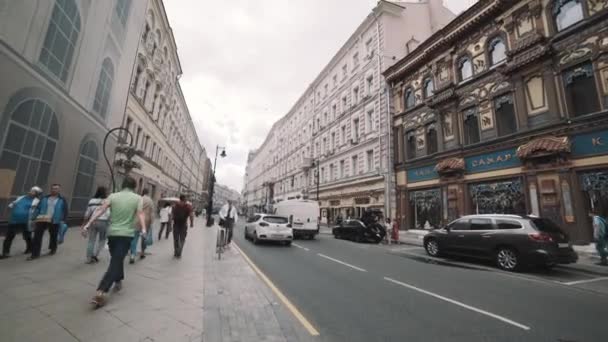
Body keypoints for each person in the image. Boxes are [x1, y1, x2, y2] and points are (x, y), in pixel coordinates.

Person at [82, 176, 146, 307]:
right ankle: (101, 291)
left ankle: (118, 280)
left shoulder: (112, 196)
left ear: (123, 185)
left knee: (116, 259)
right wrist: (144, 228)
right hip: (126, 235)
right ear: (134, 186)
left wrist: (88, 224)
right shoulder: (138, 198)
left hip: (112, 234)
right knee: (116, 260)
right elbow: (140, 214)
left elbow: (100, 210)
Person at [29, 184, 68, 260]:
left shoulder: (62, 199)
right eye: (53, 188)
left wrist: (63, 220)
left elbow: (65, 210)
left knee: (53, 235)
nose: (54, 190)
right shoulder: (44, 198)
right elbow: (38, 208)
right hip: (42, 218)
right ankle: (35, 254)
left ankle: (53, 249)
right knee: (37, 236)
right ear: (51, 189)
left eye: (56, 189)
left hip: (55, 220)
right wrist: (34, 217)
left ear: (59, 190)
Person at [1, 186, 42, 259]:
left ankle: (29, 248)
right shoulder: (21, 197)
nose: (30, 191)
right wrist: (10, 206)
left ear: (36, 194)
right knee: (9, 237)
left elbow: (38, 210)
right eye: (31, 190)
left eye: (33, 191)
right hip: (14, 220)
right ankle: (5, 253)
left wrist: (34, 218)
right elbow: (14, 203)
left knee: (27, 236)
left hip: (26, 222)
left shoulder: (37, 201)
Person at [82, 186, 110, 264]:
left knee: (91, 240)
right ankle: (95, 255)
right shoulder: (107, 201)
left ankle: (88, 258)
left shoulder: (91, 201)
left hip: (93, 221)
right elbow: (109, 213)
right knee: (102, 239)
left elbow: (87, 214)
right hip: (103, 222)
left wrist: (84, 224)